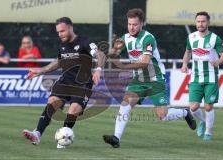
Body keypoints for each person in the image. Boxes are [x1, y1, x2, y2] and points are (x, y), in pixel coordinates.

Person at [103, 8, 196, 148]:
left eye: (134, 24)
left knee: (162, 116)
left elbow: (144, 62)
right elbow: (113, 54)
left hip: (155, 79)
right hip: (138, 80)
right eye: (129, 24)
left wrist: (122, 67)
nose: (131, 27)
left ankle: (184, 112)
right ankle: (116, 138)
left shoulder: (148, 38)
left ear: (142, 24)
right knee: (125, 105)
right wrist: (111, 49)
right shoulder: (125, 38)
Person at [22, 17, 106, 148]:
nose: (60, 34)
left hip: (82, 83)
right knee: (52, 104)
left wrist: (98, 70)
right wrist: (40, 71)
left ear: (70, 28)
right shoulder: (62, 44)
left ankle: (63, 140)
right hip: (65, 81)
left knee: (73, 110)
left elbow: (100, 55)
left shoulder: (84, 42)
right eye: (58, 32)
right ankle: (37, 134)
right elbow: (58, 62)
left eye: (62, 31)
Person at [181, 11, 223, 141]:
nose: (200, 24)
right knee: (193, 107)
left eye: (203, 21)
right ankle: (202, 121)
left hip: (211, 77)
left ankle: (208, 131)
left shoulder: (215, 39)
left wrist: (217, 62)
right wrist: (184, 64)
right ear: (196, 22)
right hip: (195, 77)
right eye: (198, 21)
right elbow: (187, 52)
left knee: (208, 106)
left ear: (208, 23)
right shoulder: (191, 37)